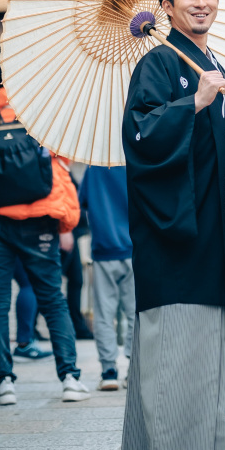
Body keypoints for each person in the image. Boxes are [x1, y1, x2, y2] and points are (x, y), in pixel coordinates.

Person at [120, 0, 225, 450]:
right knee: (179, 341)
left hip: (220, 229)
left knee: (221, 344)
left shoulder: (216, 65)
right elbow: (140, 140)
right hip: (177, 230)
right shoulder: (156, 65)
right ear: (166, 8)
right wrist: (191, 104)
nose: (201, 3)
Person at [0, 63, 89, 405]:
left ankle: (3, 381)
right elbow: (61, 158)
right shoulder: (42, 111)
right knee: (52, 296)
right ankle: (70, 378)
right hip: (38, 215)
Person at [79, 166, 136, 390]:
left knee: (104, 313)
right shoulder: (133, 161)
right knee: (135, 312)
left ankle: (108, 370)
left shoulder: (92, 167)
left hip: (103, 249)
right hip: (133, 248)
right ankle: (134, 368)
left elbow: (82, 202)